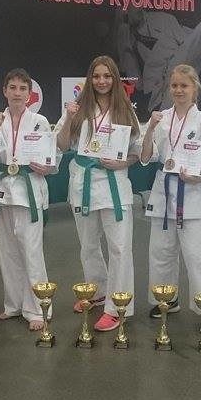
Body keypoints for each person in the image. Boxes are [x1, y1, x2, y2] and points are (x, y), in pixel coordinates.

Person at [55, 56, 141, 332]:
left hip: (114, 184)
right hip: (84, 183)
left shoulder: (125, 109)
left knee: (119, 248)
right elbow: (62, 144)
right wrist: (68, 118)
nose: (102, 81)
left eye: (107, 76)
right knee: (89, 245)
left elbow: (137, 151)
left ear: (114, 78)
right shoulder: (78, 108)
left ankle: (118, 306)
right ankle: (98, 291)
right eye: (96, 76)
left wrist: (122, 163)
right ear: (89, 79)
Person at [141, 64, 201, 332]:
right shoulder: (161, 119)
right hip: (163, 190)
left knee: (199, 254)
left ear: (194, 88)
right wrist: (150, 129)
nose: (178, 90)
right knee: (161, 251)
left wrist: (198, 177)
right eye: (174, 85)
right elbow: (146, 157)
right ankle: (166, 297)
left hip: (191, 192)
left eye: (184, 86)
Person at [0, 69, 58, 332]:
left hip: (29, 189)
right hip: (4, 191)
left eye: (22, 89)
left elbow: (51, 159)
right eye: (12, 88)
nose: (17, 93)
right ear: (4, 91)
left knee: (31, 251)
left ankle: (38, 308)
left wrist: (47, 167)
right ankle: (13, 304)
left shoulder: (40, 121)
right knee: (8, 251)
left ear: (29, 94)